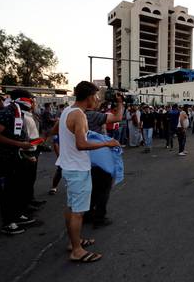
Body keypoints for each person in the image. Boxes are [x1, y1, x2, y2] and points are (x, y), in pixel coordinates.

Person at [56, 81, 119, 262]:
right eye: (97, 96)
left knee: (72, 207)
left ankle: (73, 242)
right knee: (78, 212)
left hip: (69, 167)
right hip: (78, 169)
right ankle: (77, 251)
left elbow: (64, 136)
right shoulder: (79, 115)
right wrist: (107, 143)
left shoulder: (67, 111)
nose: (98, 100)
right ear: (90, 96)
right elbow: (81, 144)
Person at [0, 89, 37, 235]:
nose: (32, 103)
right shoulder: (8, 112)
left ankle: (17, 215)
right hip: (8, 159)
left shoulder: (18, 113)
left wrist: (26, 149)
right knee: (9, 191)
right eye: (30, 100)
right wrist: (20, 145)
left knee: (18, 189)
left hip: (18, 157)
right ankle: (8, 223)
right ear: (21, 100)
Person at [82, 94, 124, 228]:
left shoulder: (75, 113)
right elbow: (118, 117)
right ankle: (99, 217)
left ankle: (88, 214)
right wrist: (120, 102)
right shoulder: (93, 115)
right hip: (98, 157)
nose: (98, 100)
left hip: (84, 157)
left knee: (93, 188)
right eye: (96, 98)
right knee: (104, 188)